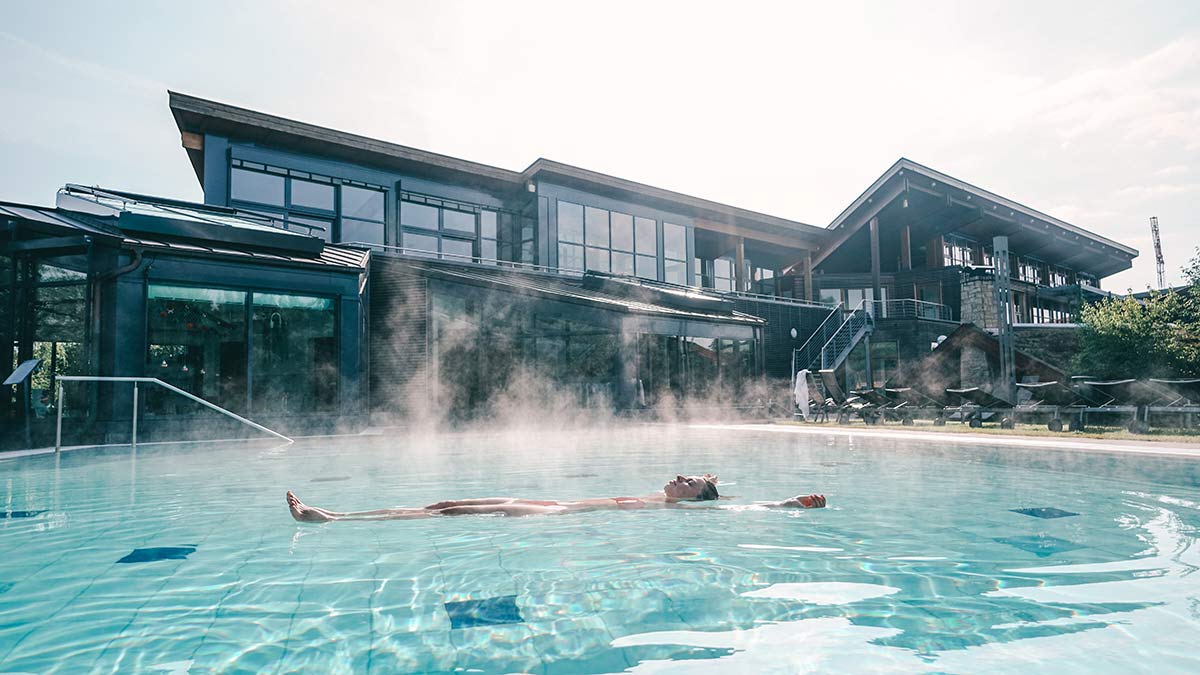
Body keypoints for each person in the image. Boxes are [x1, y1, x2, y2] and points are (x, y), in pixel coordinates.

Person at [286, 474, 826, 523]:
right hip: (550, 501)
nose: (676, 476)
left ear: (695, 498)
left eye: (687, 482)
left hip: (556, 516)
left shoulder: (683, 513)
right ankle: (339, 516)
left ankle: (331, 519)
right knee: (444, 503)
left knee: (452, 515)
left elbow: (740, 510)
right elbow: (719, 490)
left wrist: (789, 503)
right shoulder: (665, 501)